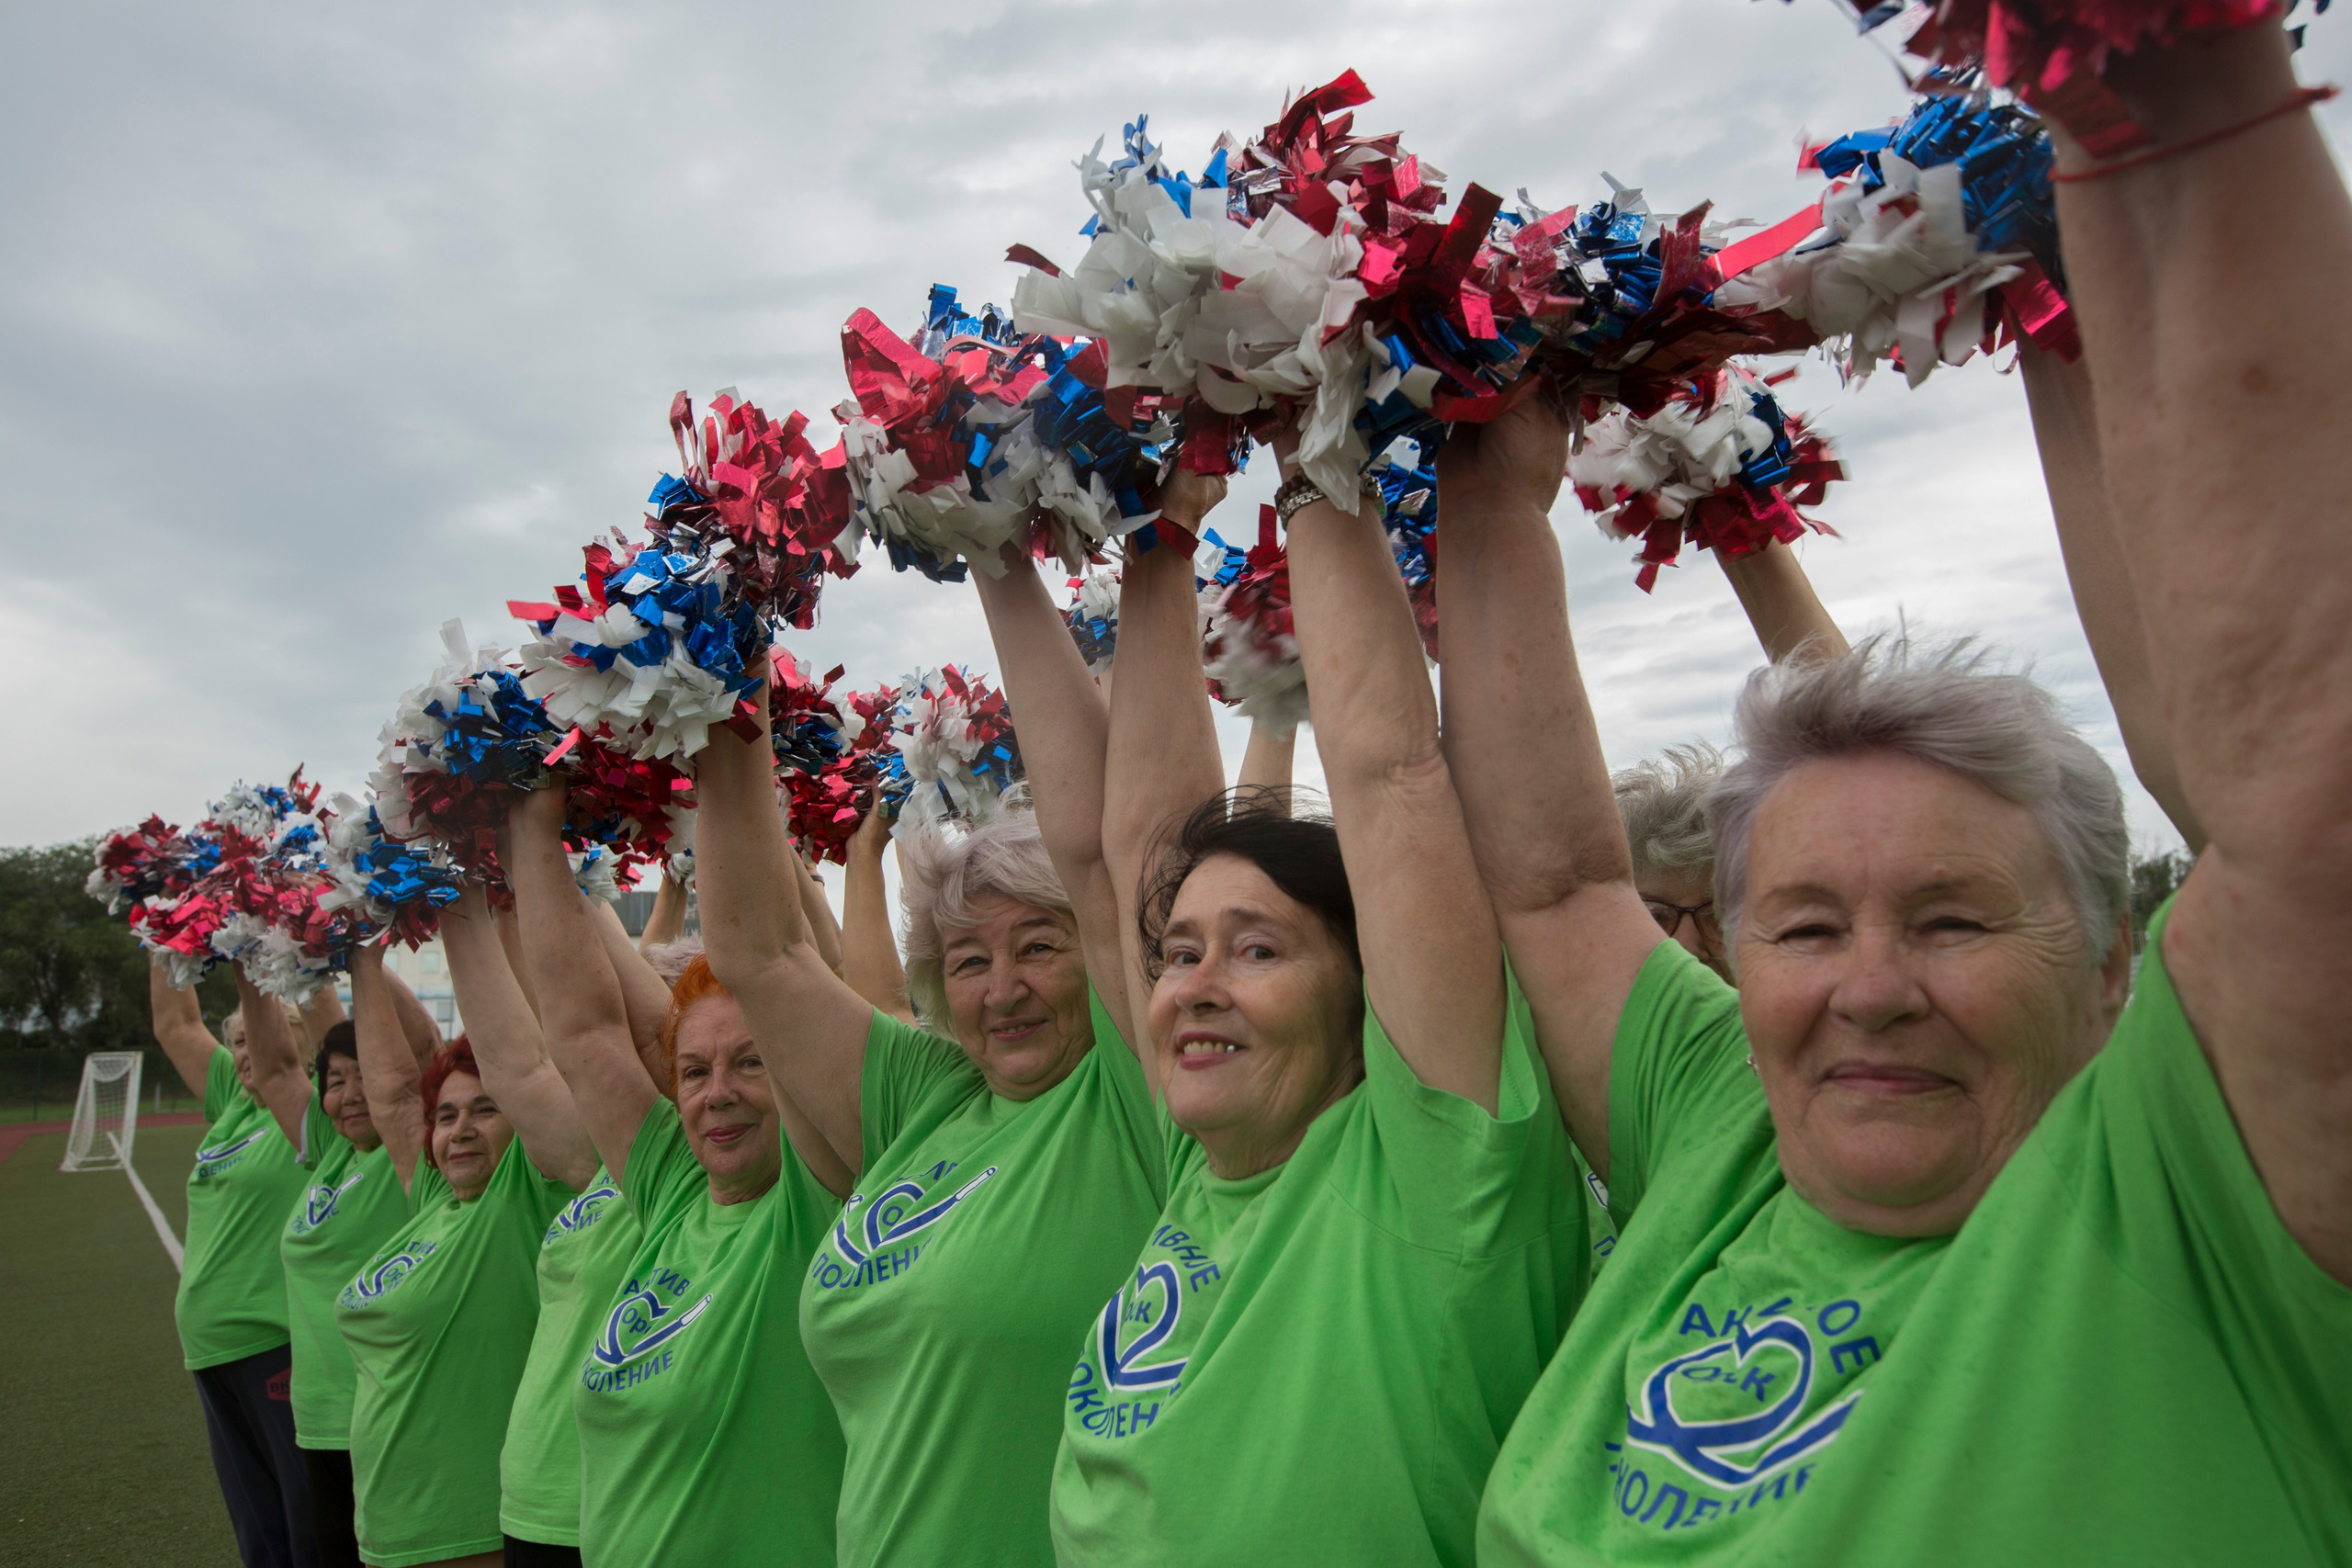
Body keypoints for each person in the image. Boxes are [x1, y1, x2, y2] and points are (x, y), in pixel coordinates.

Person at [1453, 23, 2352, 1560]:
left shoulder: (2195, 1188)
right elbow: (1555, 883)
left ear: (2114, 953)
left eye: (1950, 920)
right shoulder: (1723, 1130)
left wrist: (2156, 86)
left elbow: (2305, 796)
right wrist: (1476, 460)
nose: (1868, 988)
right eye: (1802, 927)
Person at [1048, 430, 1587, 1567]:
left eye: (1256, 953)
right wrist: (1160, 532)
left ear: (1365, 991)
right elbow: (1131, 842)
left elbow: (1392, 773)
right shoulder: (1199, 1159)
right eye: (1180, 953)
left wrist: (1311, 426)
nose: (1192, 987)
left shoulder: (1434, 1172)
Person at [693, 491, 1227, 1568]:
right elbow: (761, 954)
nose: (1002, 989)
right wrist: (718, 658)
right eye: (969, 962)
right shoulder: (925, 1100)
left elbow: (1126, 857)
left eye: (1038, 947)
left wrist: (991, 539)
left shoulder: (1136, 1091)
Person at [504, 786, 849, 1567]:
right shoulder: (669, 1190)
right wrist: (531, 818)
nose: (716, 1092)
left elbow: (802, 966)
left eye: (752, 1061)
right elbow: (582, 1027)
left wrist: (728, 763)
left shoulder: (817, 1193)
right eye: (692, 1071)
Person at [334, 900, 578, 1568]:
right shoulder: (436, 1200)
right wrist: (361, 950)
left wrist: (486, 894)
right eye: (444, 1115)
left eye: (484, 1109)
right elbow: (391, 1096)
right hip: (389, 1525)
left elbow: (528, 1059)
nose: (459, 1128)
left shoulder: (526, 1197)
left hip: (470, 1529)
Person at [255, 983, 439, 1568]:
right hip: (317, 1419)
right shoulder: (330, 1156)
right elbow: (277, 1066)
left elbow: (424, 1046)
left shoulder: (406, 1153)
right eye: (336, 1081)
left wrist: (364, 935)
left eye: (365, 1075)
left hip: (387, 1411)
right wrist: (283, 948)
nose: (351, 1094)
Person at [150, 963, 322, 1568]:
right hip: (211, 1350)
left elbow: (300, 1056)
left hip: (276, 1345)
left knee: (309, 1530)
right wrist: (165, 919)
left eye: (258, 1033)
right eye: (236, 1041)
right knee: (259, 1535)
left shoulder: (314, 1106)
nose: (244, 1050)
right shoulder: (231, 1101)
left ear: (296, 1035)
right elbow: (176, 1022)